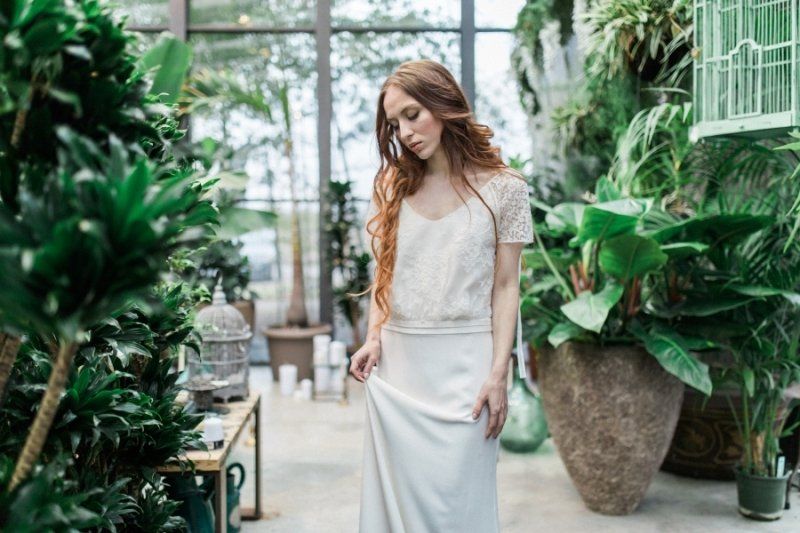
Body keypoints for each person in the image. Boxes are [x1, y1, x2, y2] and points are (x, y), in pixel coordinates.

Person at [349, 59, 534, 533]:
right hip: (400, 366)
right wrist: (373, 337)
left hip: (467, 373)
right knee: (398, 509)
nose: (405, 132)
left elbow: (507, 285)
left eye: (413, 114)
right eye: (395, 123)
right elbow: (384, 273)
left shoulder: (507, 189)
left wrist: (500, 370)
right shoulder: (394, 187)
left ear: (443, 102)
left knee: (461, 506)